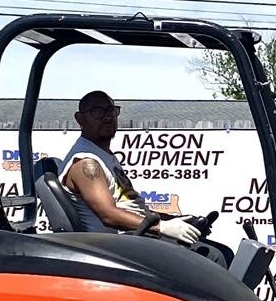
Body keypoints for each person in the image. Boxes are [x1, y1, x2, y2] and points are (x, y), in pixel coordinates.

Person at [60, 90, 204, 247]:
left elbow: (133, 207)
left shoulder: (104, 156)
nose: (107, 116)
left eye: (111, 111)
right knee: (213, 256)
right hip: (114, 246)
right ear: (80, 119)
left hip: (135, 236)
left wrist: (175, 220)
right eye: (97, 112)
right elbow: (108, 215)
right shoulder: (86, 162)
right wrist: (162, 227)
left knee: (213, 249)